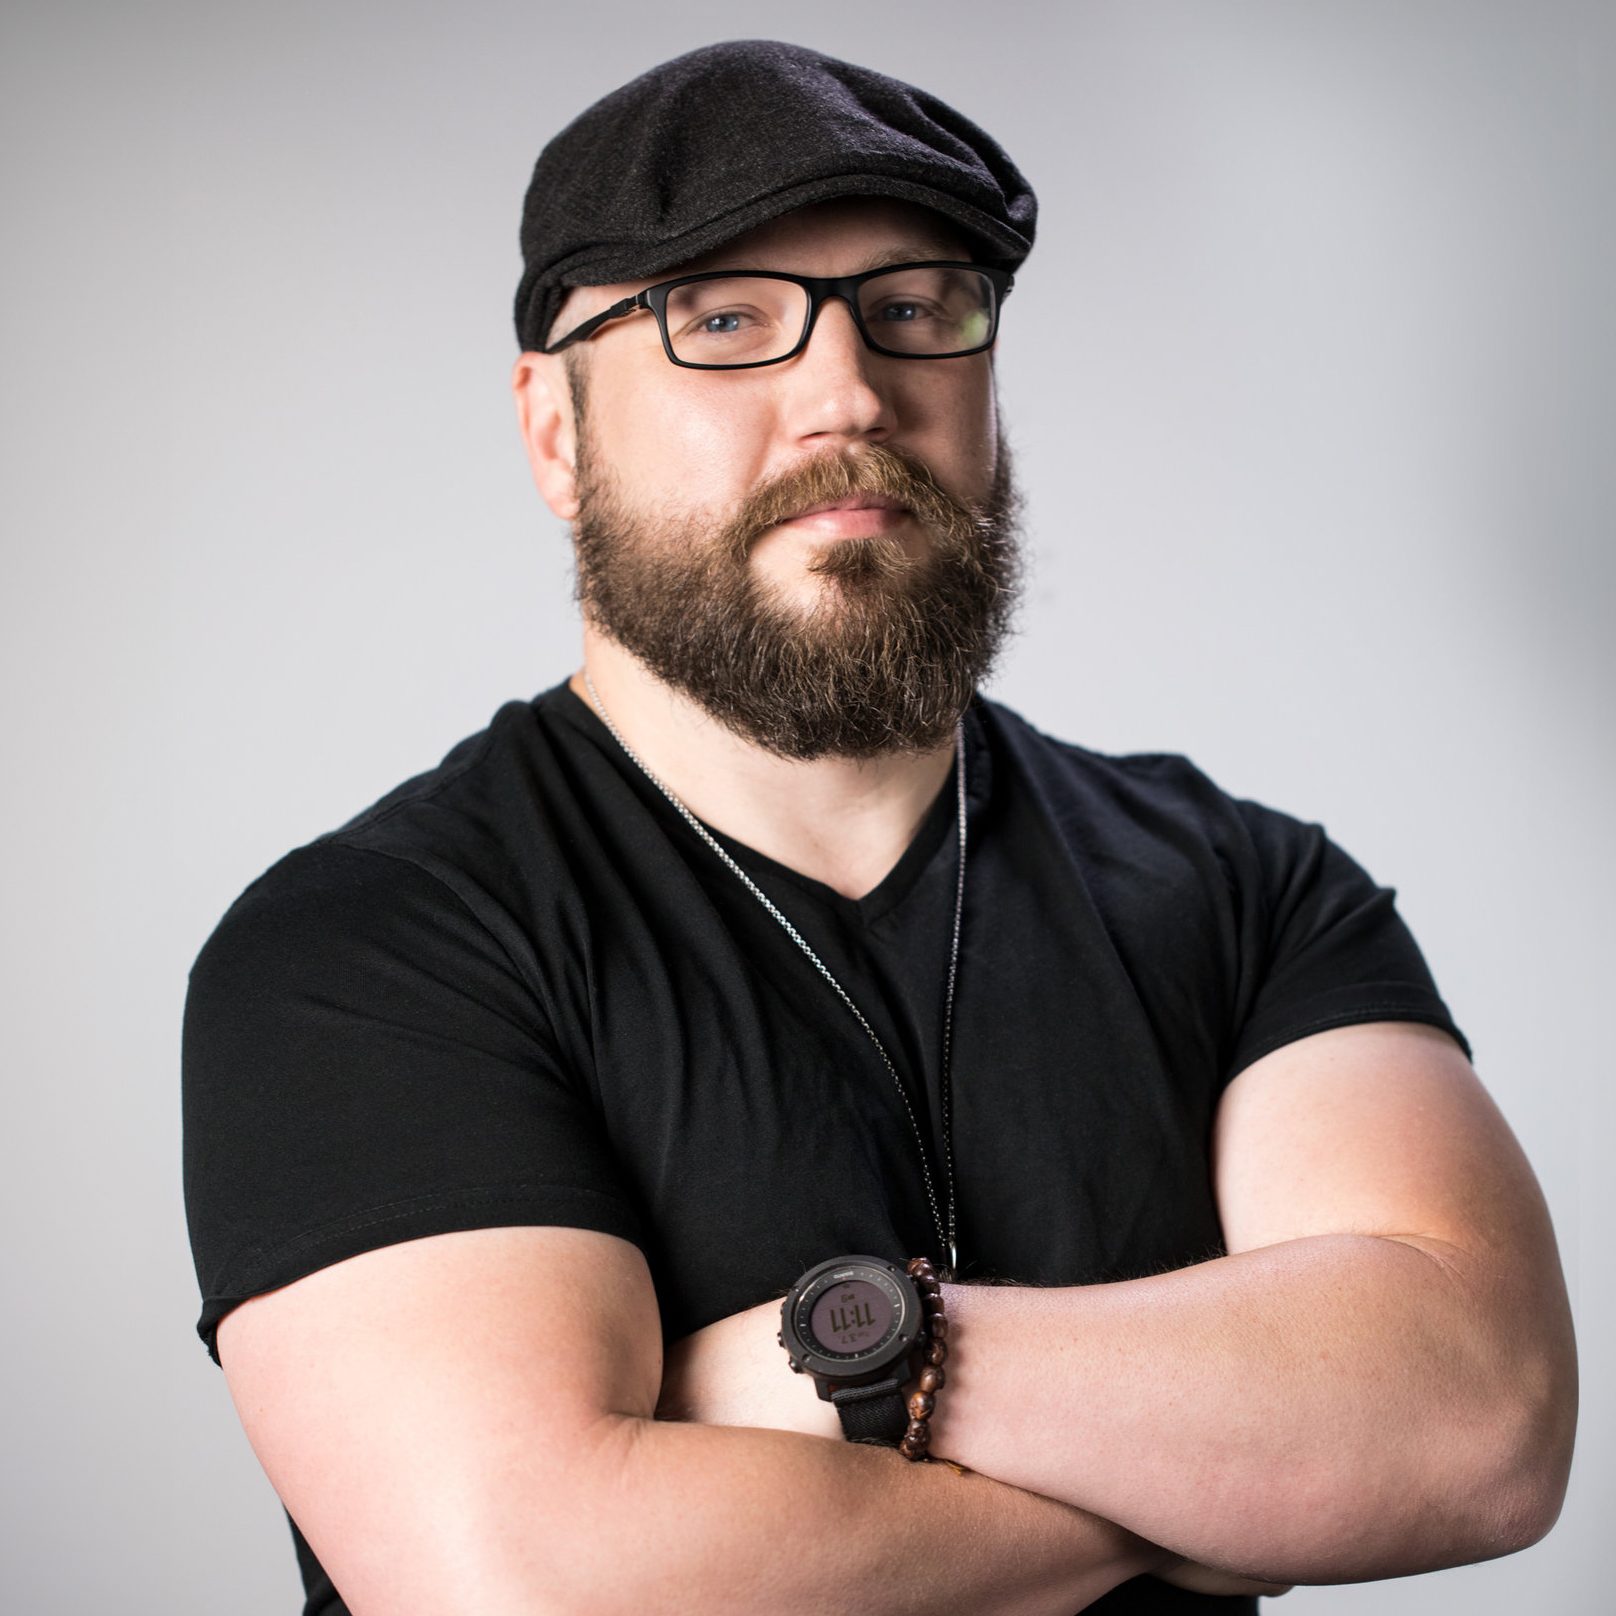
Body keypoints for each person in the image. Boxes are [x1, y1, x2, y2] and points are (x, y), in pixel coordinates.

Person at [182, 40, 1576, 1616]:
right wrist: (1220, 1484)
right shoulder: (365, 947)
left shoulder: (1247, 887)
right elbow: (519, 1578)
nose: (848, 394)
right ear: (556, 437)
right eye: (721, 320)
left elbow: (1481, 1426)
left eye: (914, 309)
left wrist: (841, 1363)